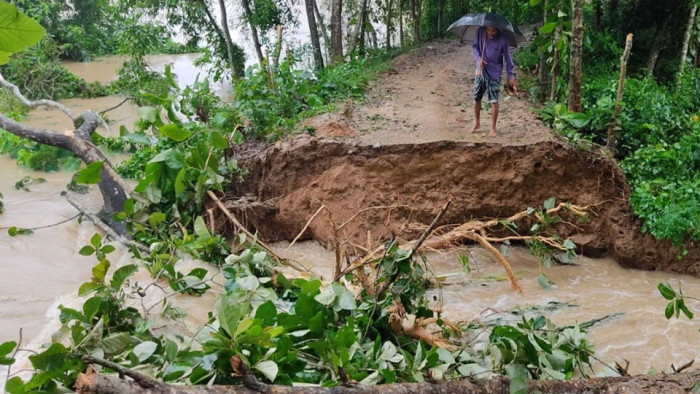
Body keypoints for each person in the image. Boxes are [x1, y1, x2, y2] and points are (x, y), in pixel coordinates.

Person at [469, 25, 516, 138]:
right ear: (485, 28)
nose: (490, 32)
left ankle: (493, 127)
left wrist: (511, 75)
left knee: (494, 100)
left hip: (494, 72)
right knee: (476, 97)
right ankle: (477, 123)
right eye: (488, 30)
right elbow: (475, 47)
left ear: (497, 29)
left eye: (494, 30)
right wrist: (479, 58)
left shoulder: (503, 39)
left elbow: (508, 58)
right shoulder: (481, 32)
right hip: (480, 71)